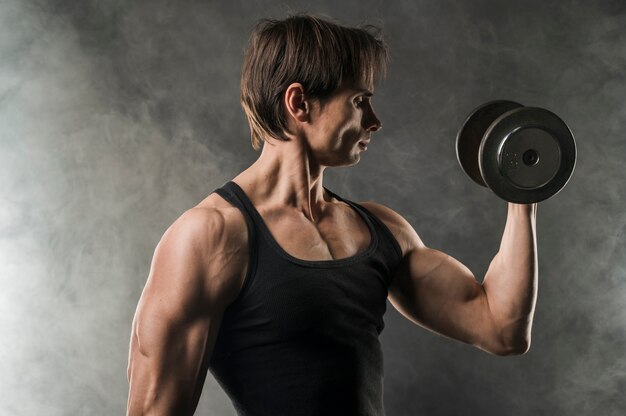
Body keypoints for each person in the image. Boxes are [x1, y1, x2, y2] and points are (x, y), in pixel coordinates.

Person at [126, 13, 538, 416]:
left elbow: (499, 327)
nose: (375, 122)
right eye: (359, 101)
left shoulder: (380, 230)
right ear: (299, 102)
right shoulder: (211, 236)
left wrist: (522, 191)